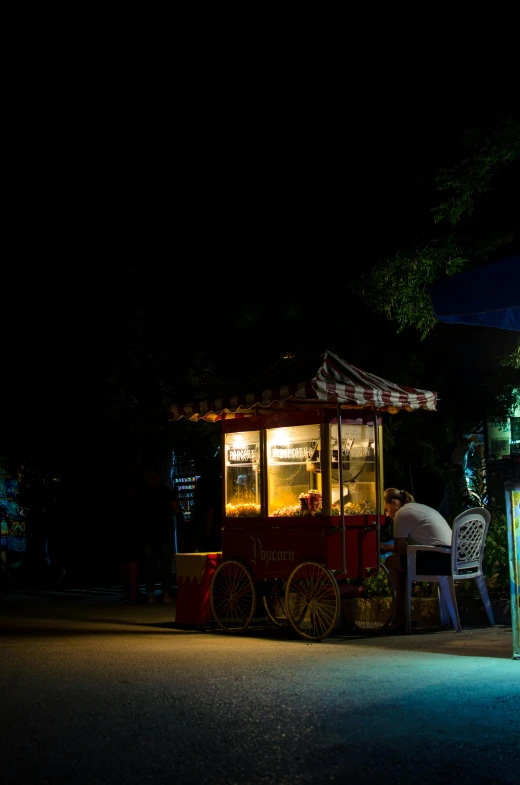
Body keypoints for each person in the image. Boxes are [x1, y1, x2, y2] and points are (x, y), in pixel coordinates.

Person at [382, 487, 452, 631]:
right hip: (450, 557)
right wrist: (389, 548)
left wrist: (385, 548)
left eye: (386, 509)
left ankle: (400, 616)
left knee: (391, 563)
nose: (387, 514)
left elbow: (400, 550)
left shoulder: (401, 514)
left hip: (437, 560)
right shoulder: (420, 508)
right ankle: (402, 616)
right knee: (401, 563)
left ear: (395, 502)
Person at [139, 468, 180, 605]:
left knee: (151, 564)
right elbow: (175, 508)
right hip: (164, 531)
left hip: (150, 532)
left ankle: (151, 594)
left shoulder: (144, 492)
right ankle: (166, 594)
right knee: (165, 564)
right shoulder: (165, 491)